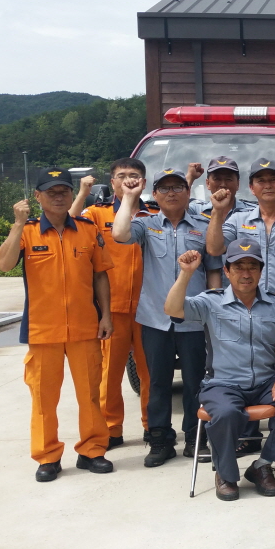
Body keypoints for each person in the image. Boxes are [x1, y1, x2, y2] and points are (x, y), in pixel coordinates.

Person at [164, 243, 275, 501]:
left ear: (261, 271)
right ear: (227, 271)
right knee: (226, 412)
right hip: (223, 384)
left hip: (265, 383)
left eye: (252, 267)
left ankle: (262, 465)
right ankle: (226, 474)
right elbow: (172, 309)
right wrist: (186, 273)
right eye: (239, 267)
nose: (246, 273)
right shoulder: (211, 301)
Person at [0, 167, 115, 481]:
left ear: (71, 193)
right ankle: (47, 456)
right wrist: (17, 224)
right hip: (43, 330)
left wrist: (106, 315)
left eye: (64, 190)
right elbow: (5, 263)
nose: (59, 197)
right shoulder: (28, 231)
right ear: (38, 196)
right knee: (43, 398)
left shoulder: (87, 230)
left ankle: (92, 451)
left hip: (85, 327)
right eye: (51, 192)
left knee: (90, 394)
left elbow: (100, 275)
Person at [112, 167, 222, 467]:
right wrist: (129, 196)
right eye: (164, 188)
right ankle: (160, 440)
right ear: (155, 195)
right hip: (154, 319)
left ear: (188, 192)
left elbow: (213, 268)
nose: (171, 193)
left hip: (194, 320)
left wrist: (214, 310)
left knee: (196, 381)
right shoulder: (145, 224)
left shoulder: (203, 225)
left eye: (177, 187)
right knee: (157, 382)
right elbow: (119, 234)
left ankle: (195, 437)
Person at [207, 157, 275, 455]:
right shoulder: (236, 220)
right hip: (240, 310)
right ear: (252, 187)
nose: (267, 185)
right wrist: (217, 212)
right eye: (261, 181)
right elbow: (214, 248)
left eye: (272, 180)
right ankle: (246, 436)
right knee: (245, 370)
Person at [71, 158, 154, 448]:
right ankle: (112, 429)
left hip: (148, 308)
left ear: (144, 182)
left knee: (151, 373)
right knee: (109, 374)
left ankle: (152, 426)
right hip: (112, 308)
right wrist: (82, 193)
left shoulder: (154, 214)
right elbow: (68, 226)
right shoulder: (96, 213)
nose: (128, 179)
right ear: (113, 182)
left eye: (134, 175)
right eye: (121, 175)